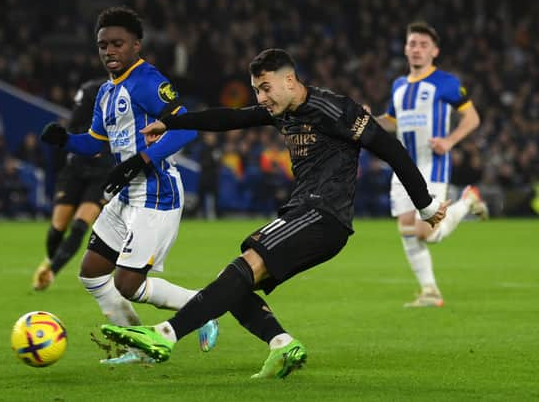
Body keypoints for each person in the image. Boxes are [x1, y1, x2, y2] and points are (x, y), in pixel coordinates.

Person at [97, 48, 448, 378]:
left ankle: (166, 335)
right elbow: (230, 118)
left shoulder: (335, 108)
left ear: (290, 81)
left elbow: (391, 149)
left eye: (265, 88)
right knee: (233, 281)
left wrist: (426, 204)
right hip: (305, 211)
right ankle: (282, 344)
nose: (261, 98)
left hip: (323, 214)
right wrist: (172, 124)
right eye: (256, 90)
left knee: (241, 269)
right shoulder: (280, 112)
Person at [39, 6, 218, 364]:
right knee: (91, 272)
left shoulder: (149, 81)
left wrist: (143, 159)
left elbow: (188, 126)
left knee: (127, 284)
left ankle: (203, 309)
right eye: (103, 45)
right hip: (125, 193)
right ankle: (137, 348)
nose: (109, 51)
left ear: (136, 45)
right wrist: (65, 140)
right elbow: (94, 142)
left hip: (156, 194)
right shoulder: (105, 93)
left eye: (117, 43)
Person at [376, 22, 488, 308]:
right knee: (406, 228)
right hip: (403, 166)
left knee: (425, 231)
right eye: (412, 43)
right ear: (405, 48)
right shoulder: (399, 86)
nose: (417, 49)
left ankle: (467, 202)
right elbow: (391, 121)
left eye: (423, 45)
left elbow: (473, 118)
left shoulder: (446, 82)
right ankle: (429, 291)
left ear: (434, 51)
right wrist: (369, 121)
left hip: (433, 165)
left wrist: (450, 141)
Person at [32, 78, 109, 291]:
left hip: (103, 172)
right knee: (57, 228)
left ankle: (50, 272)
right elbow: (73, 126)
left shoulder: (134, 96)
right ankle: (49, 260)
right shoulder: (91, 90)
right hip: (76, 168)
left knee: (79, 226)